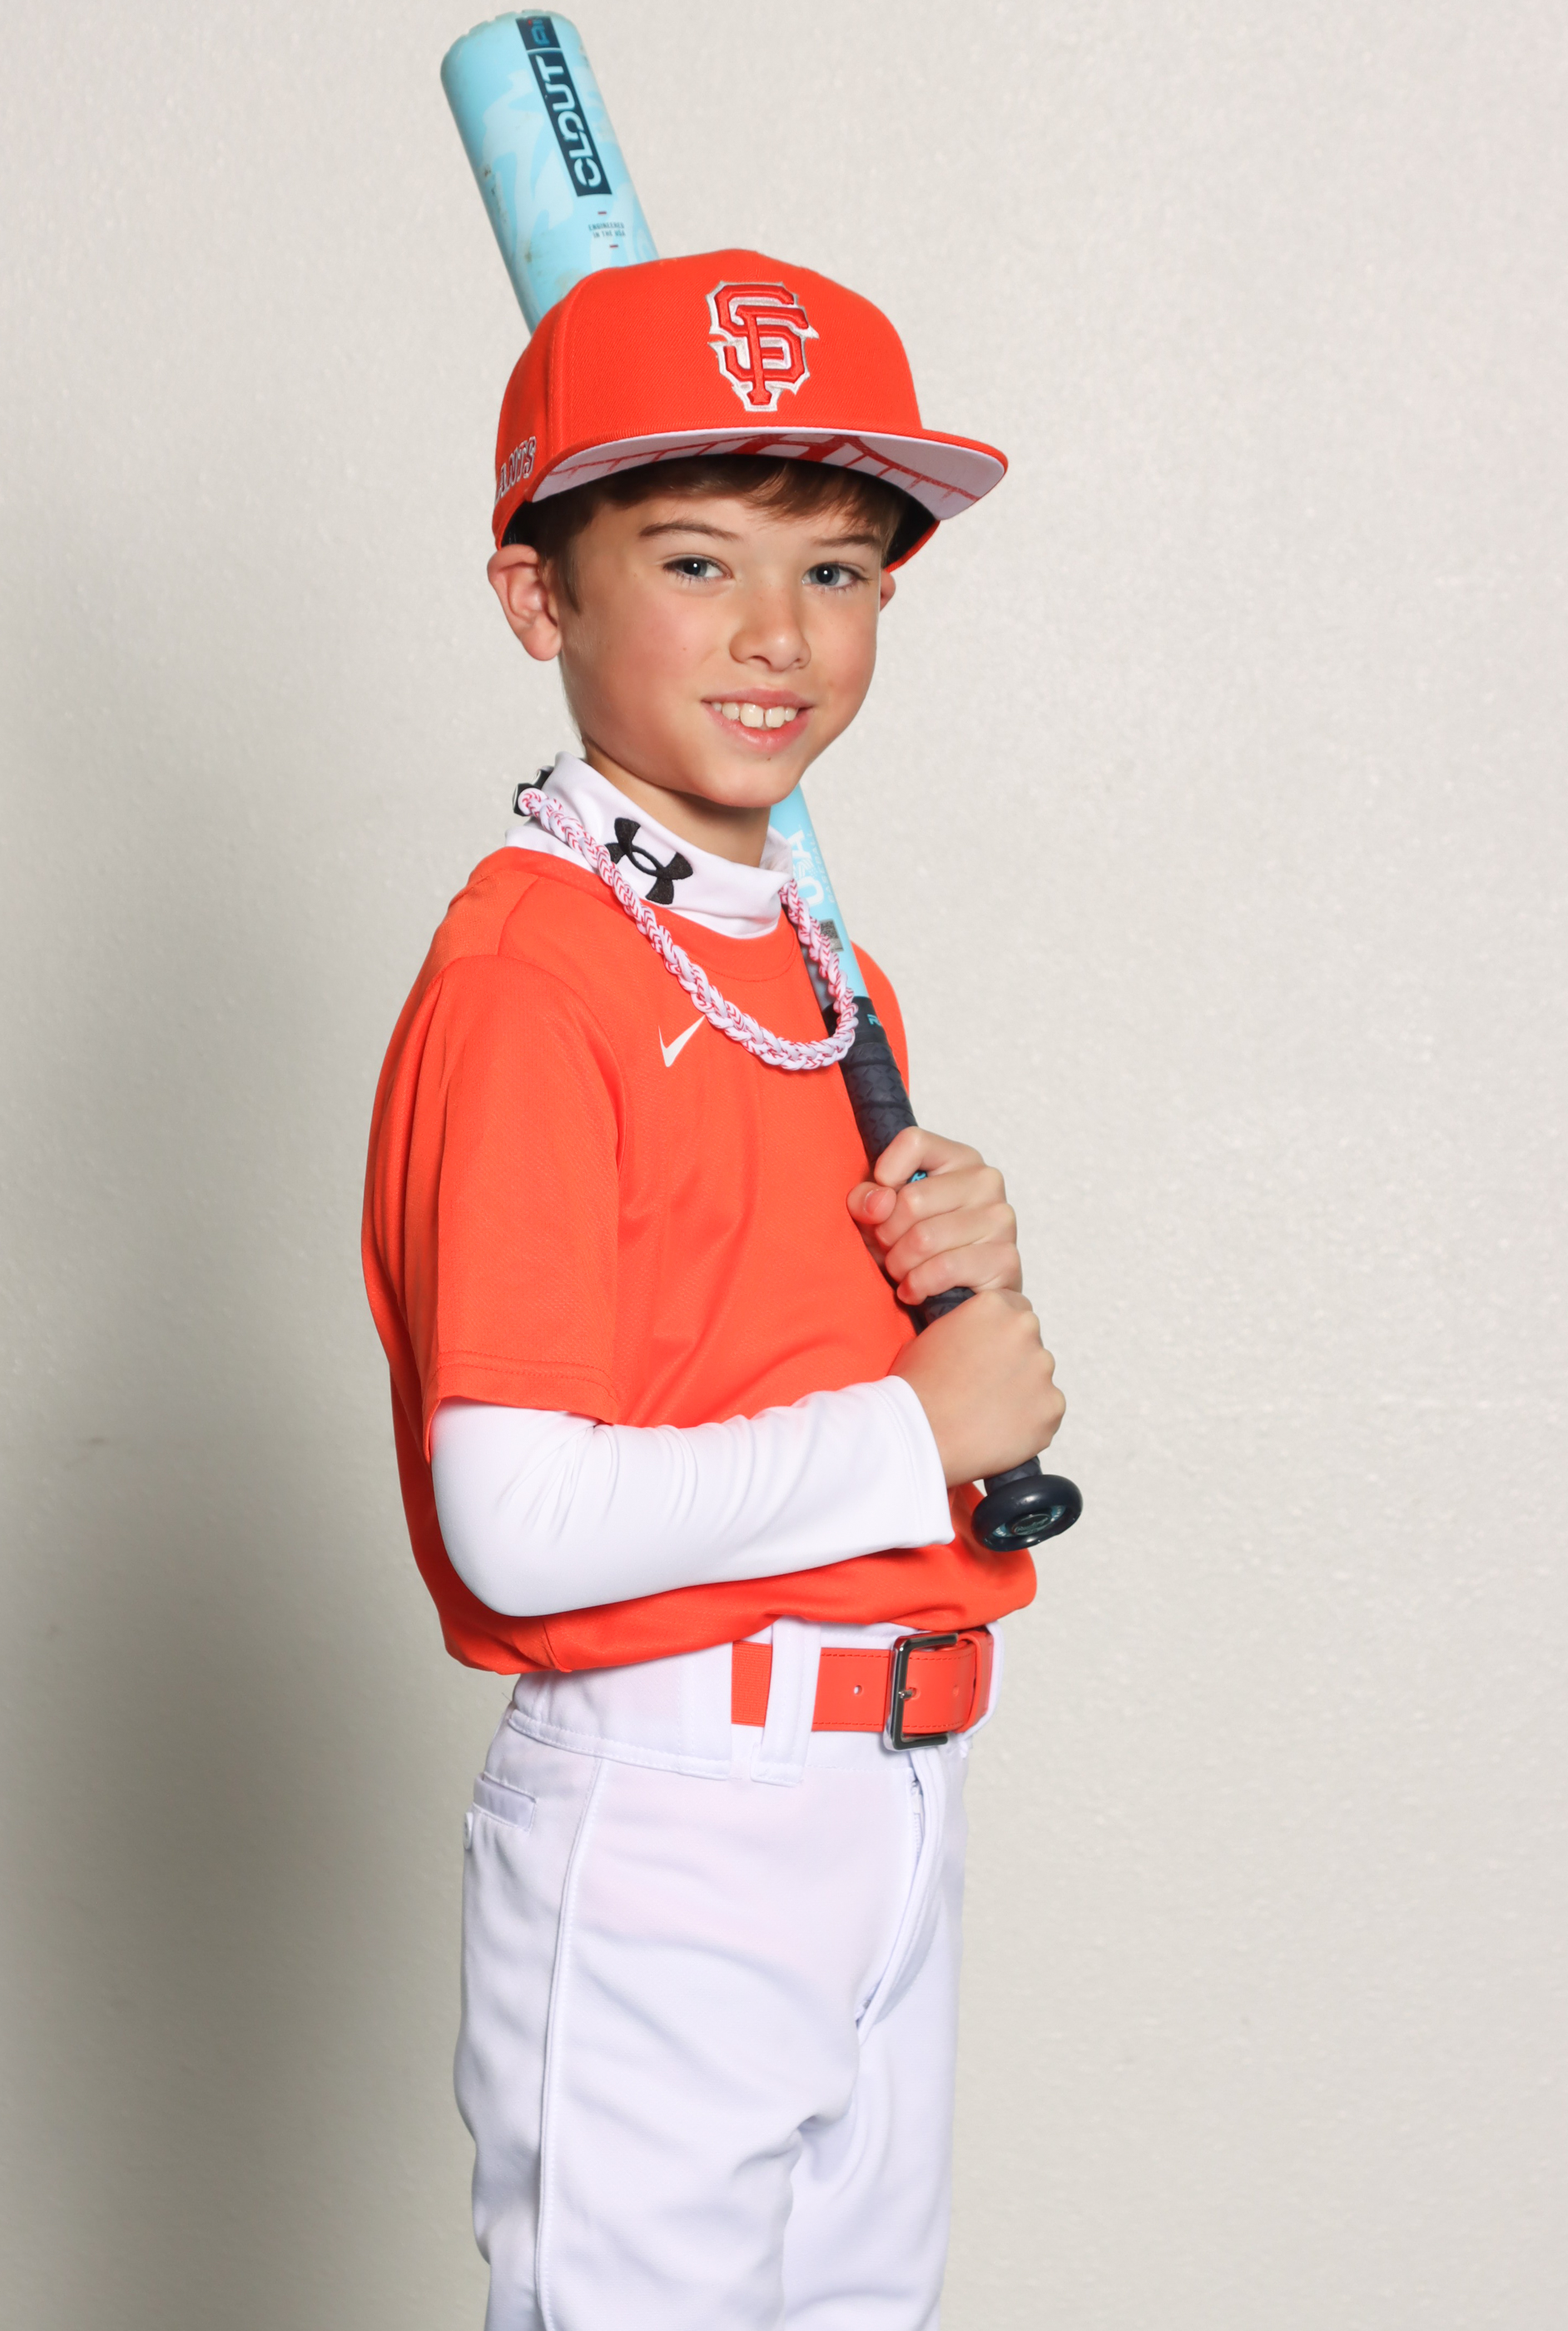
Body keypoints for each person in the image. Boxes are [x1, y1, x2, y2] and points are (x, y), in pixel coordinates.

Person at [362, 249, 1066, 2331]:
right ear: (538, 597)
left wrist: (953, 1285)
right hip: (674, 1809)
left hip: (891, 1794)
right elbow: (516, 1512)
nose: (779, 635)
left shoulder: (824, 971)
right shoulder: (530, 976)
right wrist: (913, 1429)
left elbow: (766, 1356)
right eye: (695, 560)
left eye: (837, 570)